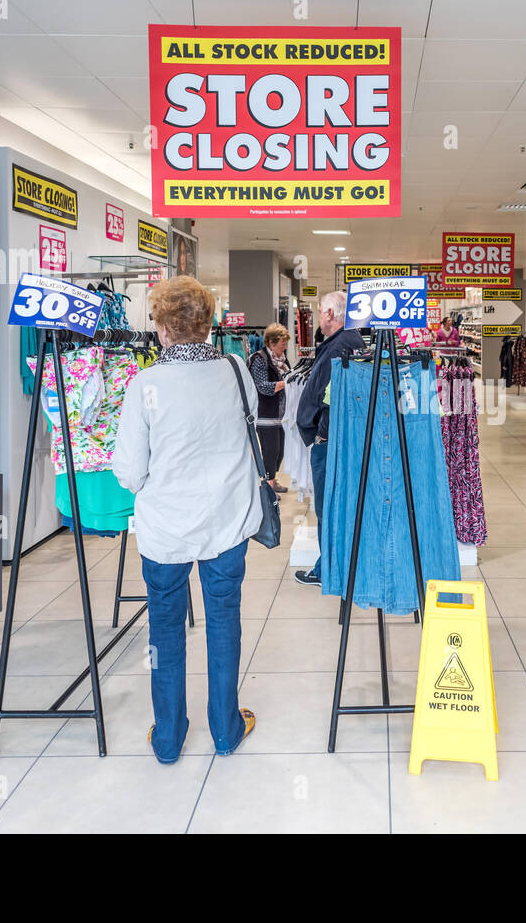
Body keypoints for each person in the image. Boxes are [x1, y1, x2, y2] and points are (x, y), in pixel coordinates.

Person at [112, 275, 261, 765]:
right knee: (224, 622)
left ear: (163, 329)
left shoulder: (146, 383)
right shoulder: (237, 371)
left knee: (166, 631)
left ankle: (169, 737)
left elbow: (130, 471)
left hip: (166, 530)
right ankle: (225, 728)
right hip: (227, 521)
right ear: (207, 323)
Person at [294, 289, 363, 586]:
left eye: (321, 311)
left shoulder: (339, 347)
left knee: (328, 507)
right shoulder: (346, 341)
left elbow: (331, 398)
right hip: (337, 440)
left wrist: (320, 434)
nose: (319, 317)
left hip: (331, 443)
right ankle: (334, 565)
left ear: (331, 314)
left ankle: (329, 571)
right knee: (337, 506)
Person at [249, 322, 291, 493]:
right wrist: (286, 383)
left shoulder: (282, 359)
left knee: (279, 451)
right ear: (271, 343)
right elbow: (263, 387)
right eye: (282, 343)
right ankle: (267, 486)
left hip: (280, 414)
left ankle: (272, 479)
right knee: (270, 450)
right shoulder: (259, 360)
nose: (285, 346)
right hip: (265, 414)